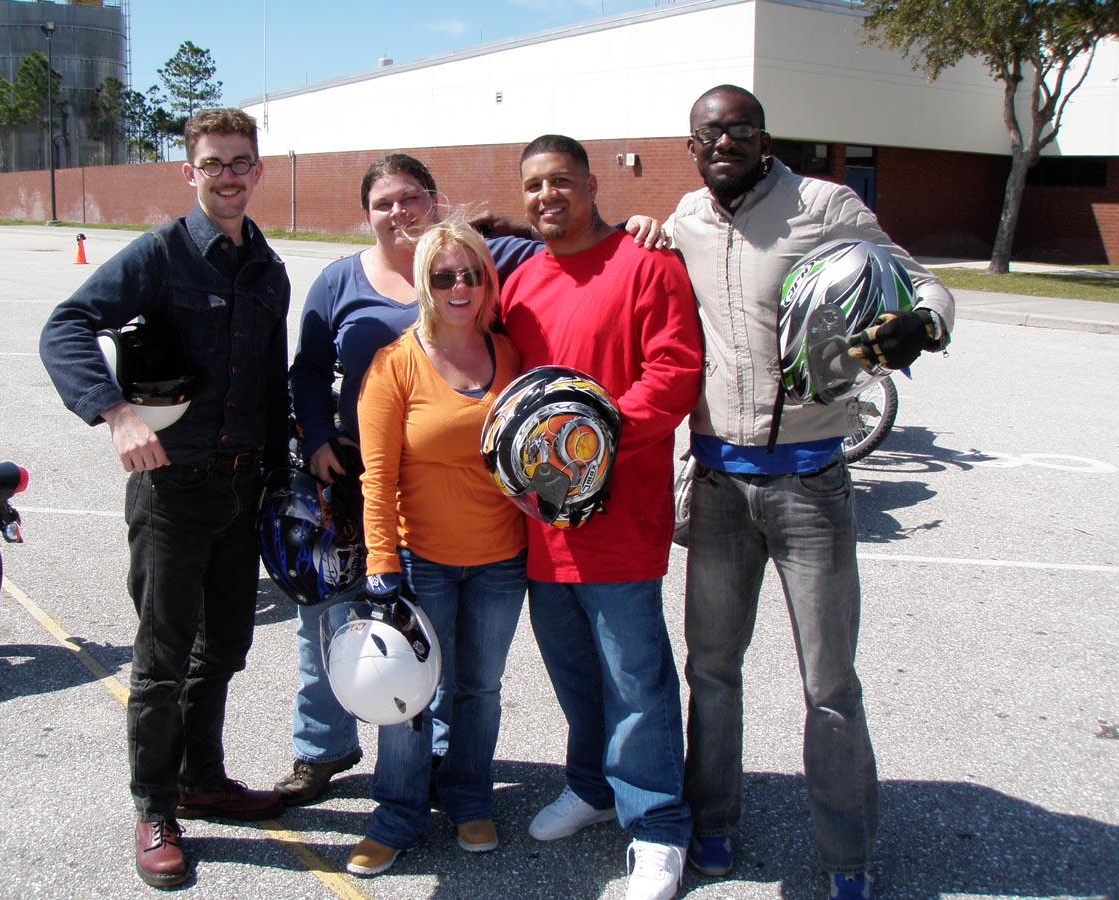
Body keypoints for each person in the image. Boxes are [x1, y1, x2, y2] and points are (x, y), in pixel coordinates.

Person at [280, 153, 666, 806]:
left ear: (434, 202)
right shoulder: (341, 282)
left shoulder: (484, 265)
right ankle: (324, 749)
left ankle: (451, 775)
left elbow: (567, 243)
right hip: (363, 480)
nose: (399, 212)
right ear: (366, 214)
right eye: (383, 203)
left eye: (411, 198)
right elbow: (309, 368)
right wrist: (317, 436)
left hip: (479, 521)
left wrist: (633, 227)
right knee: (337, 626)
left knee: (463, 672)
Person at [664, 84, 955, 900]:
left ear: (765, 138)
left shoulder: (824, 205)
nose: (724, 142)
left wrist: (922, 325)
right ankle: (712, 824)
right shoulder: (685, 218)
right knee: (711, 671)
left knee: (830, 686)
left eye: (740, 130)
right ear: (692, 146)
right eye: (709, 133)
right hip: (719, 486)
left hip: (811, 488)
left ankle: (847, 856)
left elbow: (921, 284)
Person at [39, 108, 289, 889]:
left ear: (257, 170)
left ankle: (201, 778)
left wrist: (282, 477)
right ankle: (153, 807)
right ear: (190, 172)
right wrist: (114, 414)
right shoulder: (161, 254)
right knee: (162, 658)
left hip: (242, 488)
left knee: (226, 646)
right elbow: (67, 326)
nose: (228, 176)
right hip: (173, 490)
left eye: (240, 162)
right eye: (213, 163)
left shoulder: (267, 267)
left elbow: (269, 380)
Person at [498, 134, 703, 900]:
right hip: (542, 526)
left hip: (620, 522)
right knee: (575, 675)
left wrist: (591, 440)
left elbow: (674, 373)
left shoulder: (647, 264)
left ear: (590, 186)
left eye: (560, 181)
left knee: (635, 683)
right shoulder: (520, 283)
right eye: (533, 186)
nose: (546, 196)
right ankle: (591, 786)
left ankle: (657, 826)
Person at [345, 220, 529, 876]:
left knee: (479, 688)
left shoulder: (509, 354)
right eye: (444, 275)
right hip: (419, 562)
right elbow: (376, 477)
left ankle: (468, 795)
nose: (460, 287)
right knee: (409, 694)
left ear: (487, 281)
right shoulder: (394, 364)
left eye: (472, 274)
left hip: (501, 560)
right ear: (424, 283)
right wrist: (381, 564)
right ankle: (396, 814)